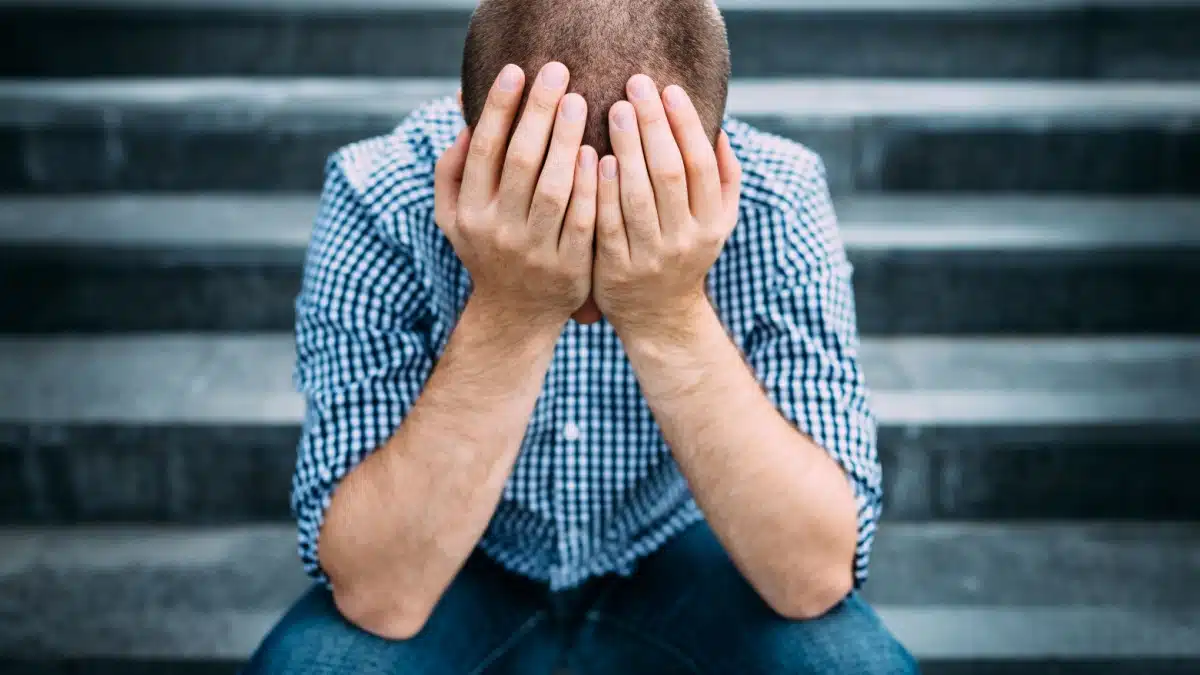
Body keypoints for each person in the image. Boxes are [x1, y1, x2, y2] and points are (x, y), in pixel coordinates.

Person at [244, 0, 919, 672]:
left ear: (712, 155)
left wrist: (668, 308)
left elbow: (814, 576)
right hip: (466, 564)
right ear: (469, 133)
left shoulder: (778, 195)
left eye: (635, 217)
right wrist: (513, 306)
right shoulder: (380, 192)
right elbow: (379, 594)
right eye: (544, 209)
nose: (580, 268)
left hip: (682, 551)